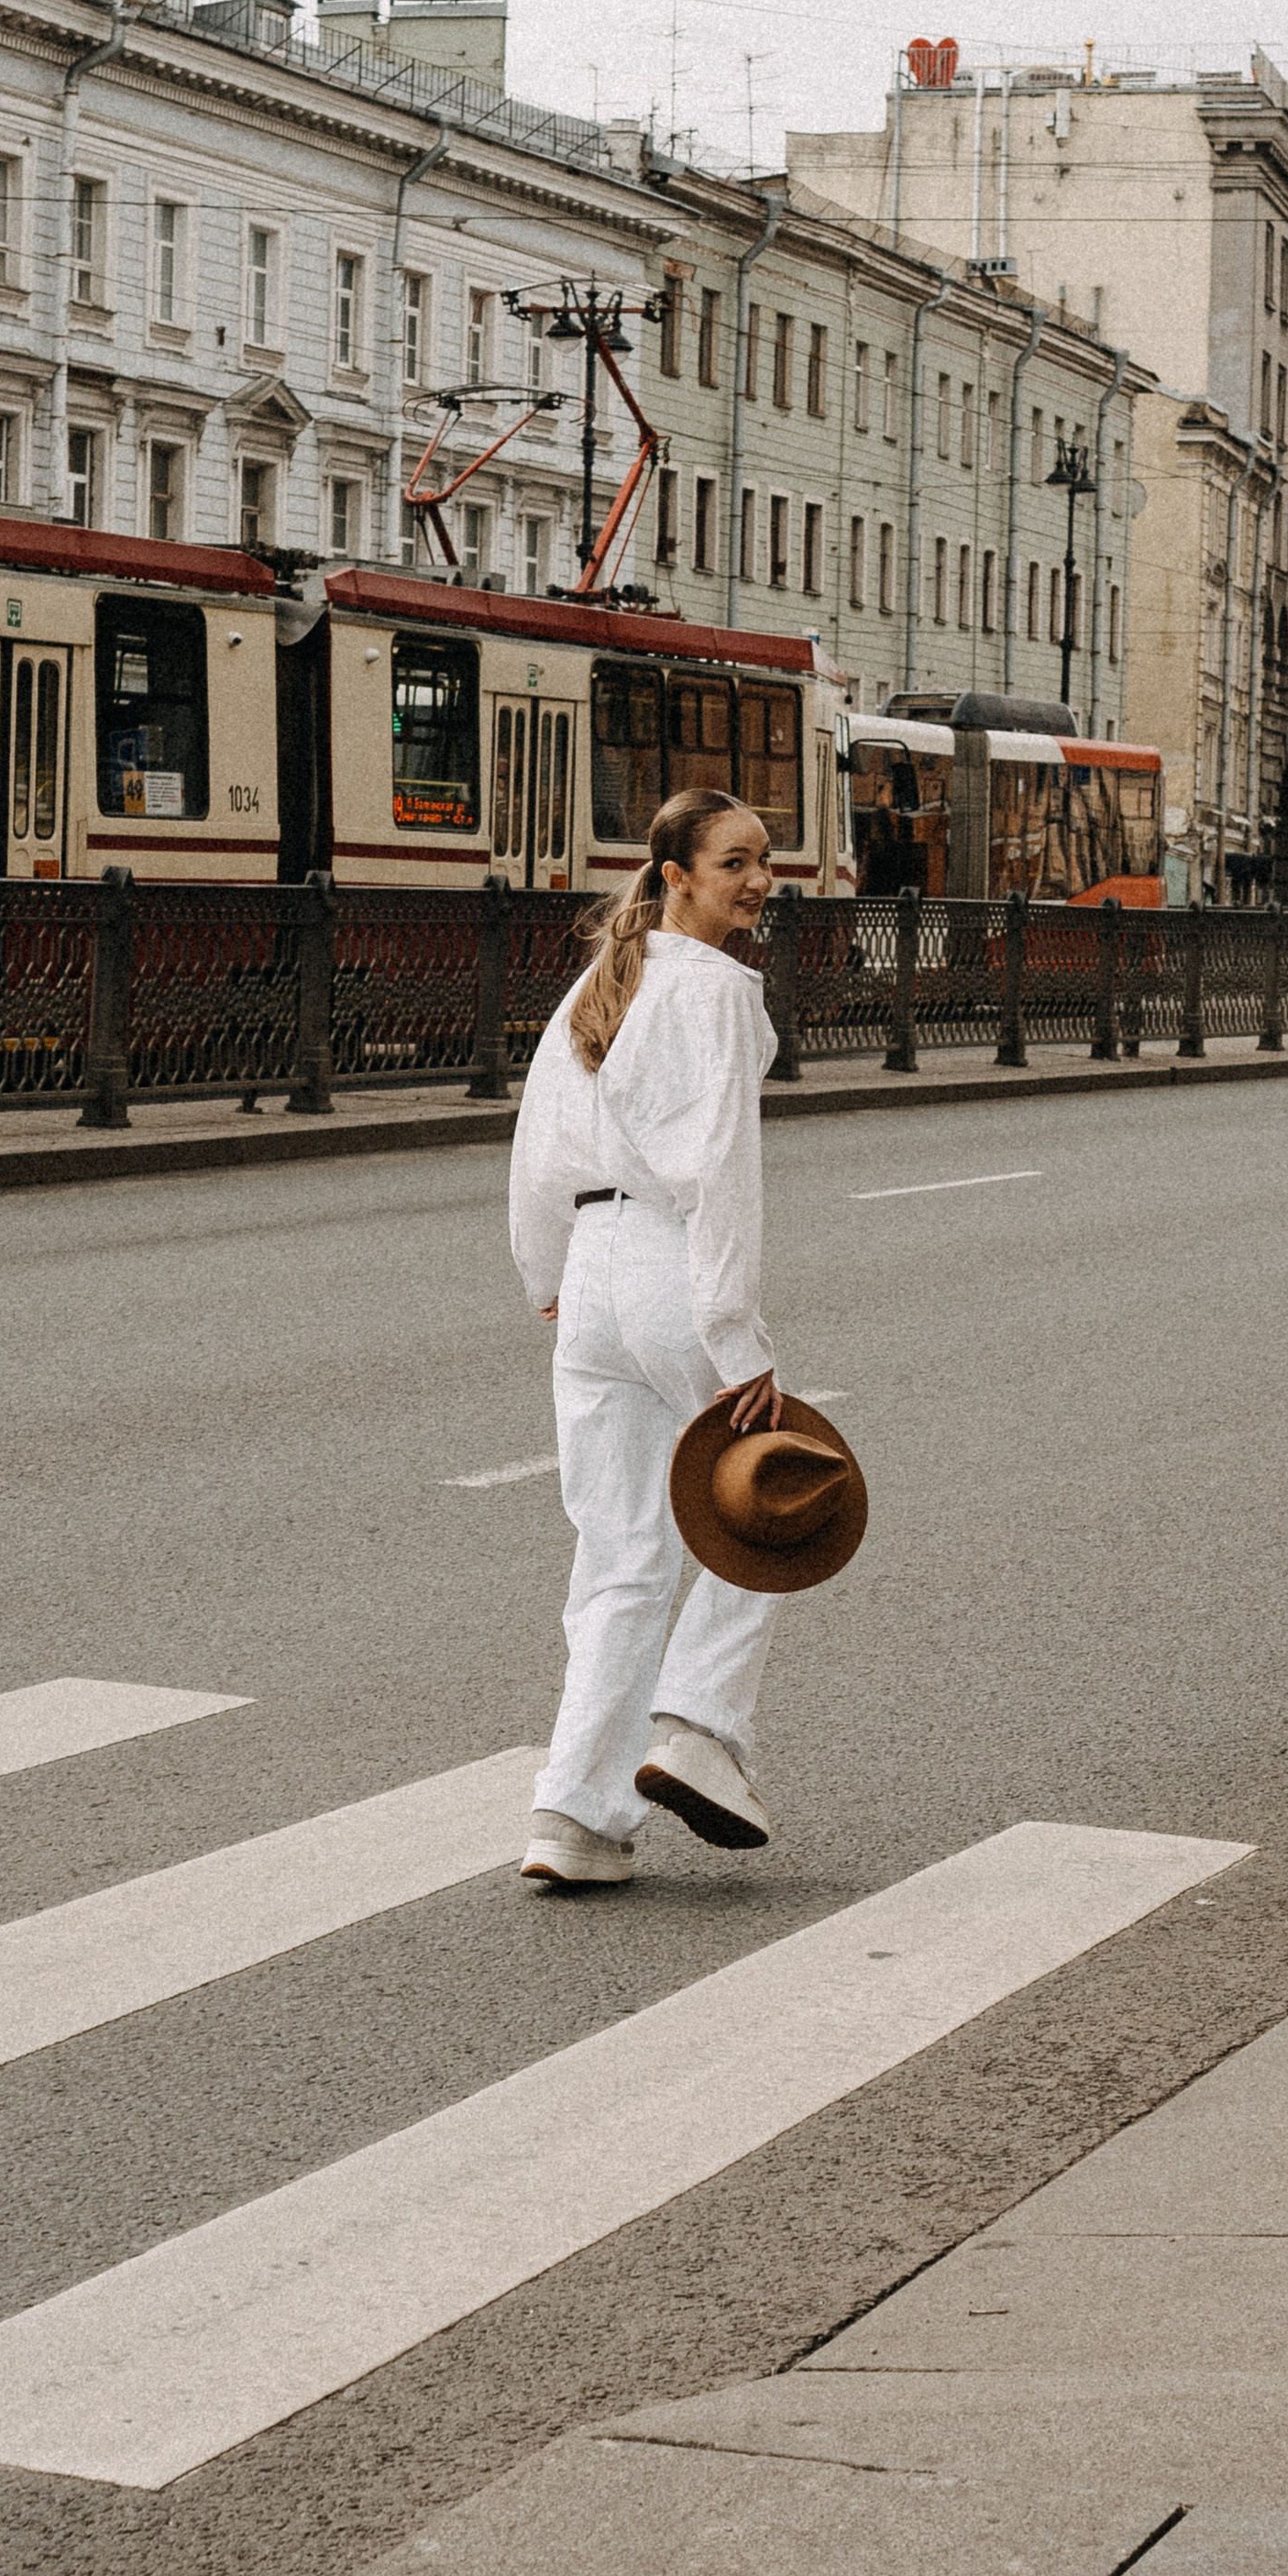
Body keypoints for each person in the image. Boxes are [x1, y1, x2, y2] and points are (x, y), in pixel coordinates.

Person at [509, 785, 786, 1891]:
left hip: (588, 1274)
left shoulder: (597, 983)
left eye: (765, 860)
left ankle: (575, 1819)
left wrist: (547, 1279)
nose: (760, 880)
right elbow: (720, 1172)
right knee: (771, 1505)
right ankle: (698, 1734)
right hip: (672, 1268)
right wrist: (738, 1335)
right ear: (677, 877)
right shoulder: (715, 990)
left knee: (618, 1561)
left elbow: (536, 1144)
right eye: (735, 862)